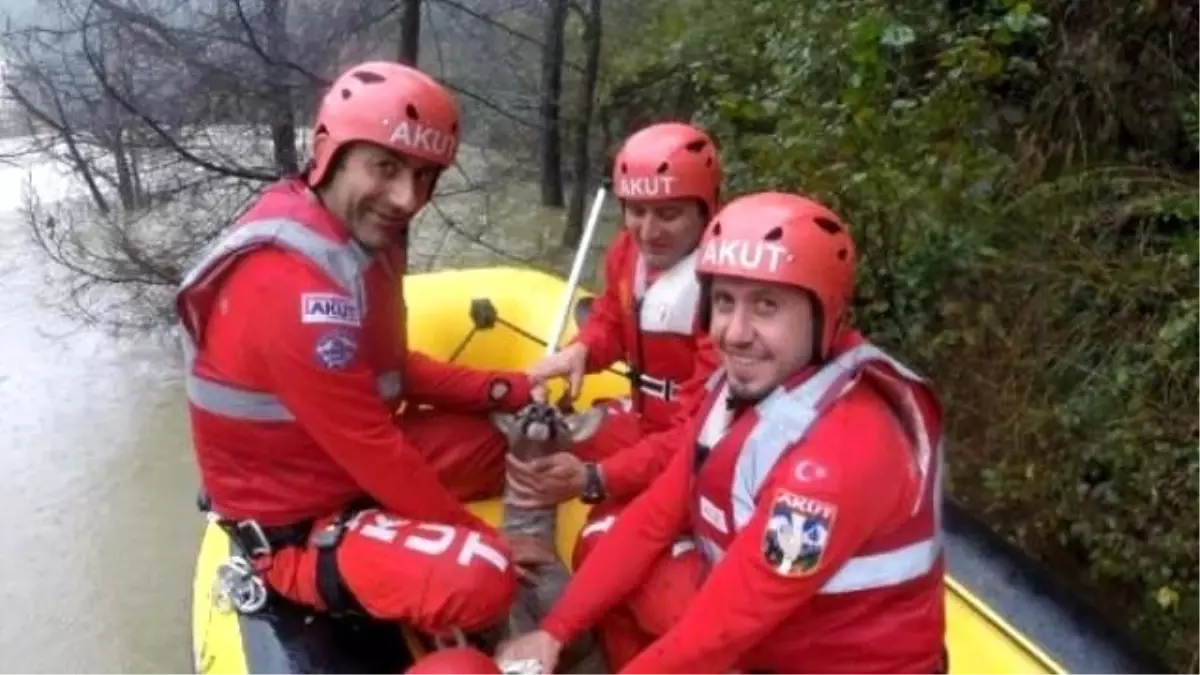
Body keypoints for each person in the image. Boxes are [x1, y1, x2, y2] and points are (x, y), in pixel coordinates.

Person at [497, 192, 948, 674]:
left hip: (830, 659)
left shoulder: (840, 456)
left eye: (767, 306)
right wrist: (554, 630)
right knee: (605, 542)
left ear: (824, 312)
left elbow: (728, 623)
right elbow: (654, 517)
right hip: (780, 627)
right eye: (724, 302)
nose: (734, 332)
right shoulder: (739, 389)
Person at [176, 61, 552, 638]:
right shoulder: (290, 285)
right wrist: (485, 539)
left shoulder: (358, 243)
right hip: (296, 526)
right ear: (330, 153)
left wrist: (511, 387)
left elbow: (392, 372)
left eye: (425, 176)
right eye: (386, 167)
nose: (407, 198)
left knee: (504, 438)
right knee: (484, 577)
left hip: (336, 471)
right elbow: (374, 448)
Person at [513, 121, 723, 666]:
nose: (648, 230)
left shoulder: (725, 297)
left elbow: (691, 440)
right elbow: (611, 317)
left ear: (706, 211)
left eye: (669, 213)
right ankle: (527, 542)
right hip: (647, 421)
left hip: (695, 452)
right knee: (538, 438)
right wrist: (583, 350)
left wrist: (595, 480)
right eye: (636, 211)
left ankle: (612, 643)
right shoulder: (627, 254)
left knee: (601, 539)